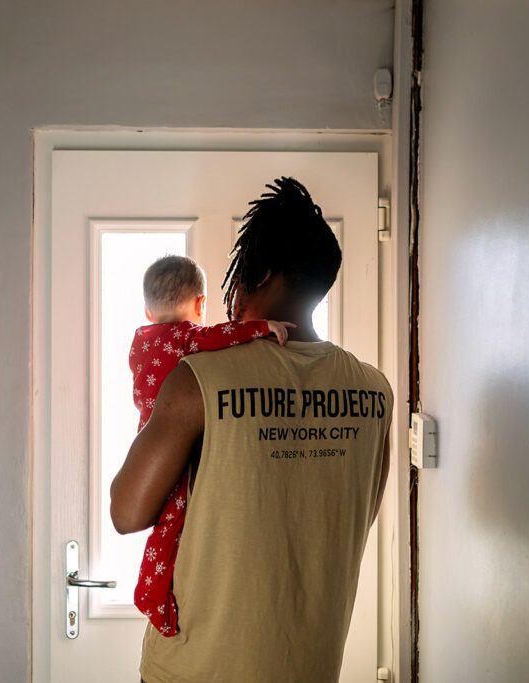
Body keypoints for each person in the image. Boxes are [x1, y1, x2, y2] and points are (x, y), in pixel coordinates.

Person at [111, 178, 394, 683]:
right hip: (312, 667)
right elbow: (348, 517)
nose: (231, 298)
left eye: (238, 278)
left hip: (197, 670)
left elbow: (127, 512)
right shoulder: (375, 392)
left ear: (258, 274)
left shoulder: (199, 378)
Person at [128, 254, 294, 636]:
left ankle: (156, 591)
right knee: (174, 518)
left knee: (167, 519)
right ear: (201, 304)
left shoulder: (141, 340)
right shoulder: (187, 337)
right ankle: (152, 595)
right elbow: (220, 336)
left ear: (147, 311)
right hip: (178, 446)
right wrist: (262, 327)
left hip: (147, 440)